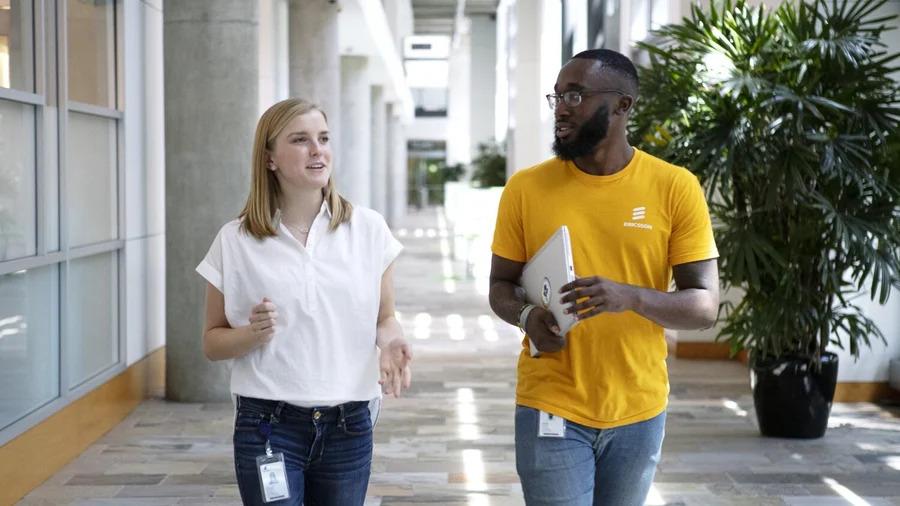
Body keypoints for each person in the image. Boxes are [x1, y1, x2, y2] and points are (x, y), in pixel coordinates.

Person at [489, 49, 719, 506]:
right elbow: (500, 286)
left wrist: (629, 297)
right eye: (557, 96)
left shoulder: (674, 187)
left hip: (639, 407)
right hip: (550, 400)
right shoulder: (526, 188)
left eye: (575, 94)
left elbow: (703, 307)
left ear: (622, 105)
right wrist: (528, 315)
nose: (561, 106)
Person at [196, 98, 412, 506]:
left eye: (324, 138)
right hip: (268, 425)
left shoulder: (368, 229)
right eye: (300, 140)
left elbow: (385, 317)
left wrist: (391, 340)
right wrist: (250, 334)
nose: (318, 150)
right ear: (270, 159)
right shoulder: (235, 239)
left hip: (349, 423)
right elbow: (211, 342)